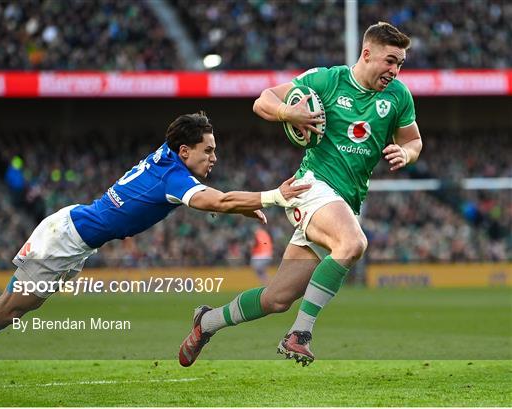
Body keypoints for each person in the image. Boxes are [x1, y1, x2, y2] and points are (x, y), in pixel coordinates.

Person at [179, 22, 423, 367]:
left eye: (400, 64)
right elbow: (263, 100)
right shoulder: (327, 80)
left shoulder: (398, 95)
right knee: (353, 244)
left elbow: (413, 140)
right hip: (311, 188)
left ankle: (207, 322)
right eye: (390, 61)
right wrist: (287, 112)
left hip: (345, 201)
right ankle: (300, 334)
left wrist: (407, 153)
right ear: (367, 54)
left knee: (277, 298)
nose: (395, 71)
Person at [0, 112, 310, 359]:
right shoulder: (174, 178)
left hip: (72, 235)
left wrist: (237, 206)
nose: (214, 157)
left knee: (19, 307)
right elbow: (215, 199)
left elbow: (208, 197)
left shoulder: (167, 158)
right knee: (8, 308)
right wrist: (272, 196)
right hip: (65, 238)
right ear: (184, 152)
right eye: (207, 150)